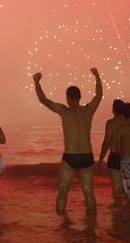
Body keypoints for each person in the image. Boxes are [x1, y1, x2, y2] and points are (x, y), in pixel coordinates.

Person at [33, 68, 102, 214]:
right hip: (87, 155)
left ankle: (62, 227)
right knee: (89, 191)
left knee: (63, 190)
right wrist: (97, 76)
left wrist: (37, 82)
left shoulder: (64, 111)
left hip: (71, 156)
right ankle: (92, 228)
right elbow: (99, 96)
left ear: (67, 98)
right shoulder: (88, 110)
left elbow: (43, 100)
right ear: (80, 97)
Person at [98, 99, 126, 199]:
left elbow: (107, 142)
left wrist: (101, 159)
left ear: (113, 110)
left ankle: (118, 210)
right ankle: (128, 211)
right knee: (127, 187)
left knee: (116, 188)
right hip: (128, 156)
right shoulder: (129, 122)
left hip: (115, 156)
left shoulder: (111, 123)